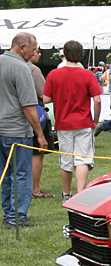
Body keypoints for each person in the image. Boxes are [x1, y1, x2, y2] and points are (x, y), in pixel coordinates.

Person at [42, 40, 102, 198]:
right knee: (82, 159)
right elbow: (97, 100)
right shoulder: (87, 74)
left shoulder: (54, 74)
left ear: (64, 55)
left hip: (63, 123)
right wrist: (95, 120)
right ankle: (80, 193)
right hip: (83, 122)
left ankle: (67, 192)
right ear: (81, 55)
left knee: (66, 159)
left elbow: (46, 98)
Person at [1, 32, 48, 228]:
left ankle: (8, 213)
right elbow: (29, 106)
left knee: (4, 174)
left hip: (2, 130)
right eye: (32, 49)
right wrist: (40, 134)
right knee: (21, 173)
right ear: (21, 47)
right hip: (17, 131)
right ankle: (17, 216)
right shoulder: (21, 68)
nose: (34, 52)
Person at [26, 45, 55, 199]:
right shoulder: (33, 70)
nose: (39, 54)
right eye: (37, 51)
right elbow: (44, 94)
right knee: (38, 152)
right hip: (35, 114)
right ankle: (35, 189)